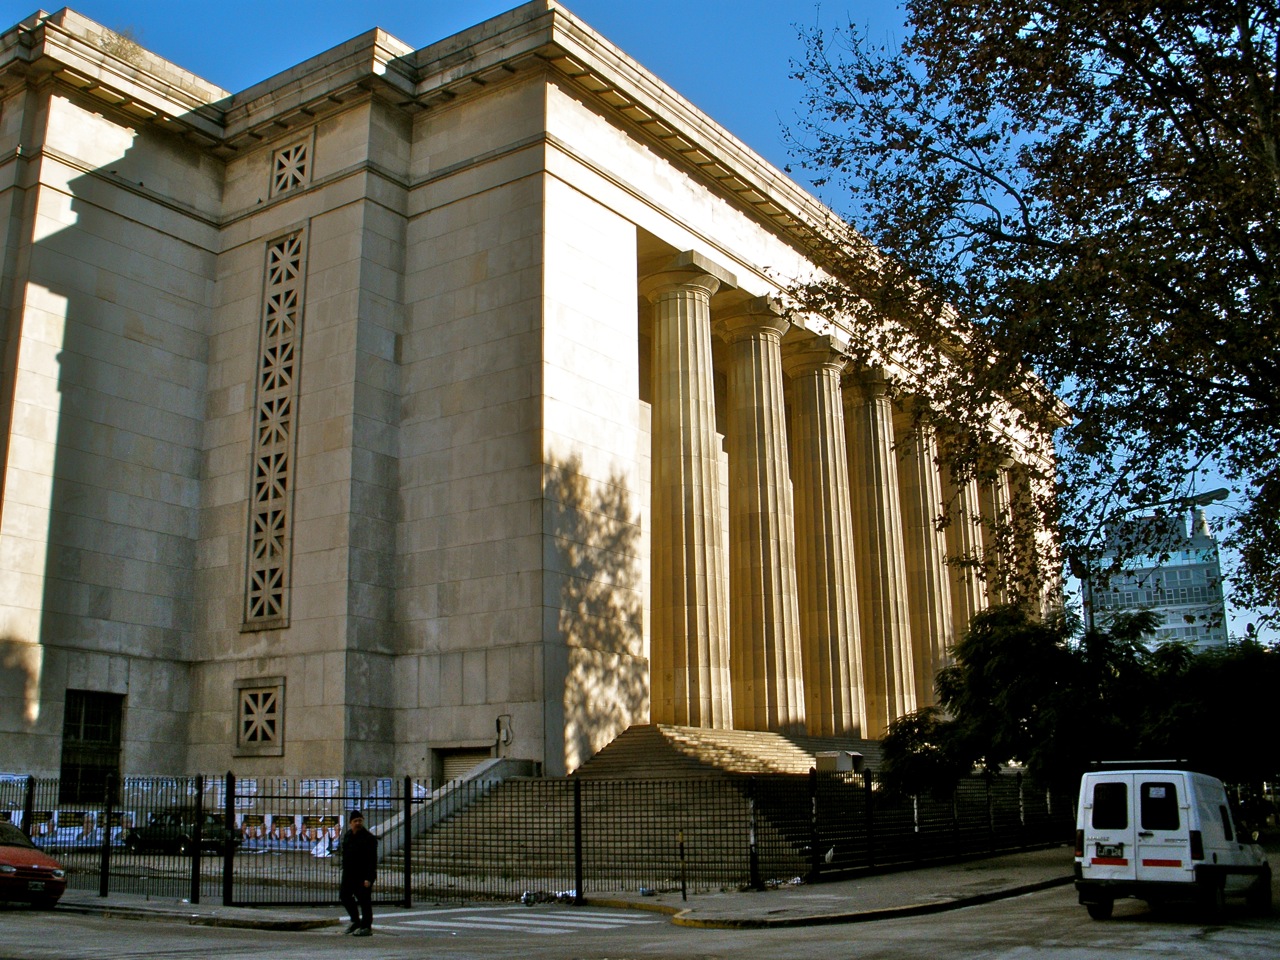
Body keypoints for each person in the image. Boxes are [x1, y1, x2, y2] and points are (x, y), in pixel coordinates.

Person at [338, 809, 378, 936]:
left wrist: (369, 878)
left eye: (360, 821)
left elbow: (372, 860)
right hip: (349, 873)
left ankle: (366, 926)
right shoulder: (348, 835)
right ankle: (355, 920)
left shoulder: (369, 838)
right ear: (350, 823)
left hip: (362, 874)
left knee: (364, 900)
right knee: (344, 896)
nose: (358, 823)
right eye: (355, 821)